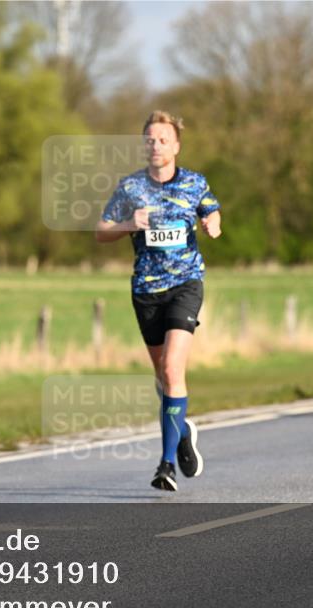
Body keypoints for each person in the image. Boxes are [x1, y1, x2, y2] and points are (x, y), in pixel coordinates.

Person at [96, 110, 222, 491]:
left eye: (163, 140)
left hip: (185, 284)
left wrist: (212, 223)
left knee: (171, 368)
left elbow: (212, 210)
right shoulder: (131, 187)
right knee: (163, 377)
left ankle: (166, 464)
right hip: (146, 291)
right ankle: (181, 430)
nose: (156, 145)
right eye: (150, 139)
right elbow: (101, 232)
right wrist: (127, 226)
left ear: (176, 146)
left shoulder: (194, 182)